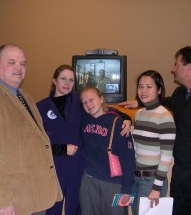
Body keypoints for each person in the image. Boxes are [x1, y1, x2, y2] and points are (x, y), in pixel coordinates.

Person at [118, 46, 191, 215]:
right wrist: (140, 102)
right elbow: (164, 101)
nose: (173, 69)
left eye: (176, 65)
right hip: (181, 173)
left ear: (188, 68)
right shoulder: (180, 94)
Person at [0, 44, 62, 215]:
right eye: (12, 62)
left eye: (23, 63)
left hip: (33, 197)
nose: (19, 67)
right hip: (11, 204)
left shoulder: (25, 96)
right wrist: (3, 201)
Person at [36, 65, 132, 215]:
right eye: (63, 79)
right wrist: (61, 149)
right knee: (52, 208)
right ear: (54, 81)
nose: (67, 83)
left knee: (77, 208)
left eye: (71, 80)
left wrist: (126, 118)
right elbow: (36, 143)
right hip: (54, 166)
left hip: (79, 167)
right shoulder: (40, 107)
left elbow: (105, 109)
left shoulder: (77, 99)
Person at [79, 87, 135, 215]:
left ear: (101, 99)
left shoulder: (118, 123)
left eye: (91, 99)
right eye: (84, 102)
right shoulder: (84, 120)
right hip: (89, 181)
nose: (88, 104)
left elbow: (128, 158)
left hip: (113, 184)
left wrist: (127, 188)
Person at [131, 70, 176, 215]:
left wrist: (156, 187)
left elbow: (166, 156)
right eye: (140, 86)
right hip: (136, 176)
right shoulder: (139, 113)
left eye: (149, 87)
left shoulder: (165, 116)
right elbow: (137, 147)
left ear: (159, 90)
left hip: (152, 180)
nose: (143, 91)